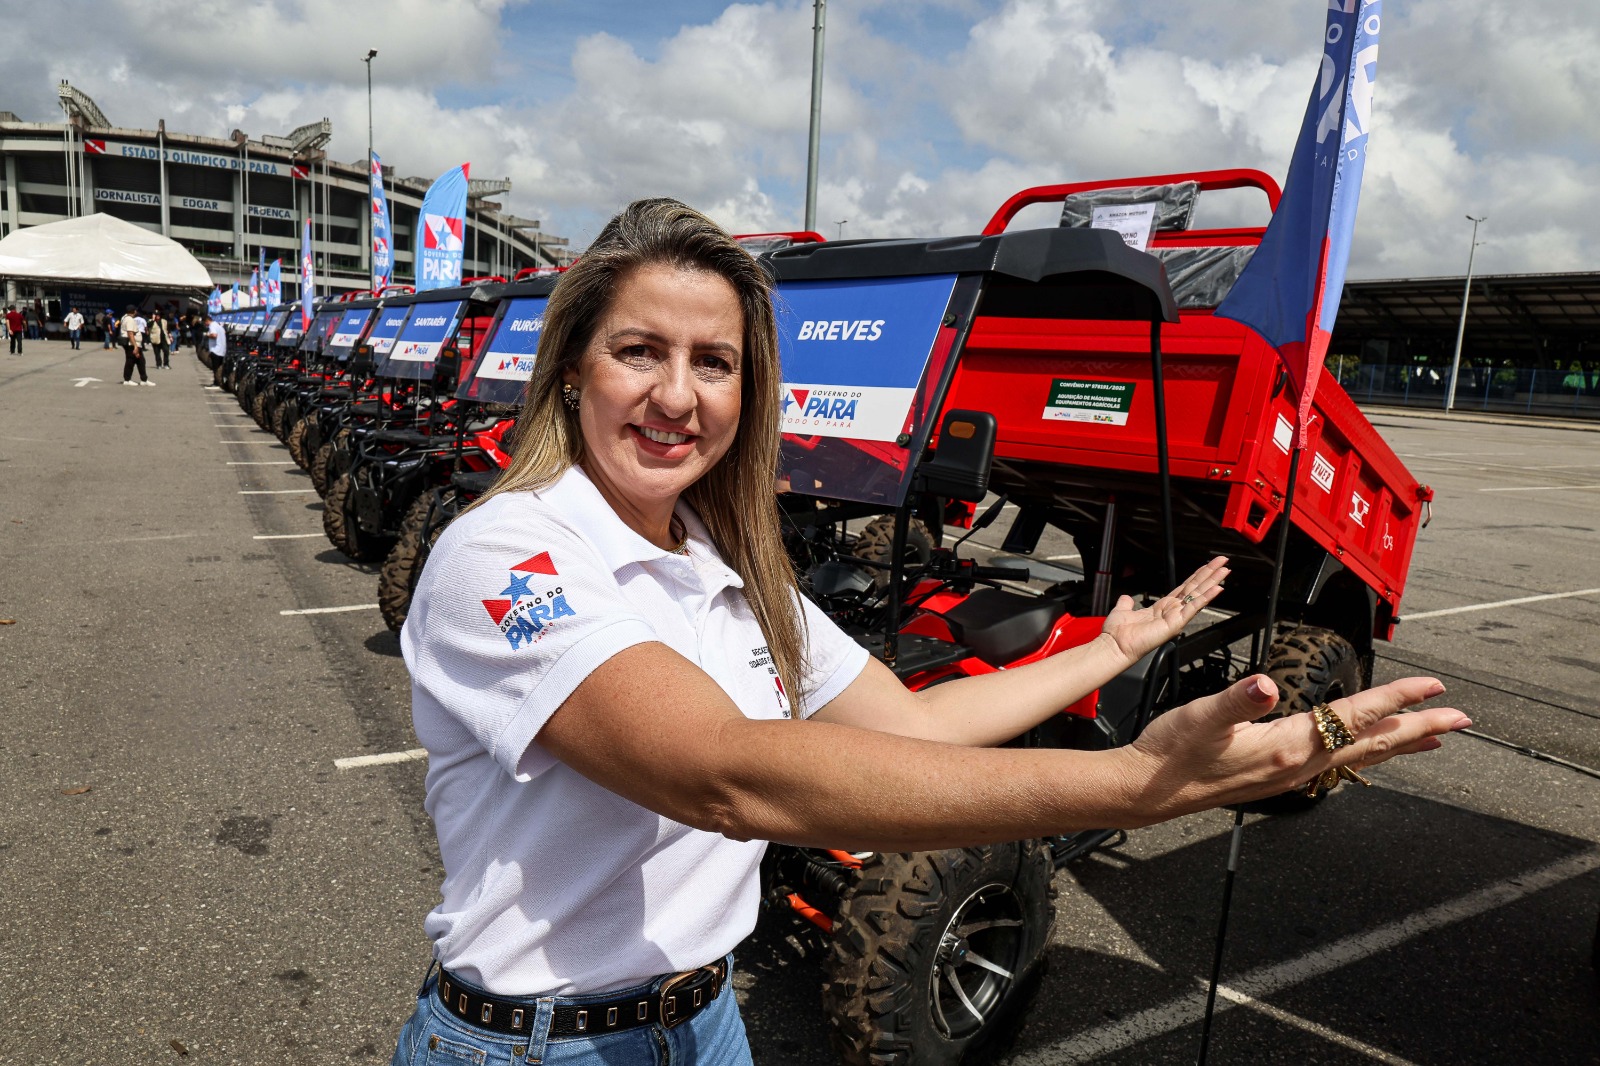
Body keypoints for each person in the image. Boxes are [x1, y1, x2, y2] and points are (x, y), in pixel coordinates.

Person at [389, 199, 1470, 1065]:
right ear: (572, 366)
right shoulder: (507, 552)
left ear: (748, 388)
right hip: (534, 1045)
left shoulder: (719, 559)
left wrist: (1105, 650)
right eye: (639, 351)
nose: (677, 394)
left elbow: (912, 723)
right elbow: (725, 778)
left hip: (704, 1023)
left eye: (713, 362)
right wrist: (1139, 785)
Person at [119, 304, 150, 386]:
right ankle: (127, 380)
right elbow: (130, 333)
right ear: (134, 311)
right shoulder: (129, 320)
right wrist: (135, 346)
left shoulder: (126, 318)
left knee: (140, 361)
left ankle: (144, 380)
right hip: (131, 344)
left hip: (134, 344)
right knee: (130, 361)